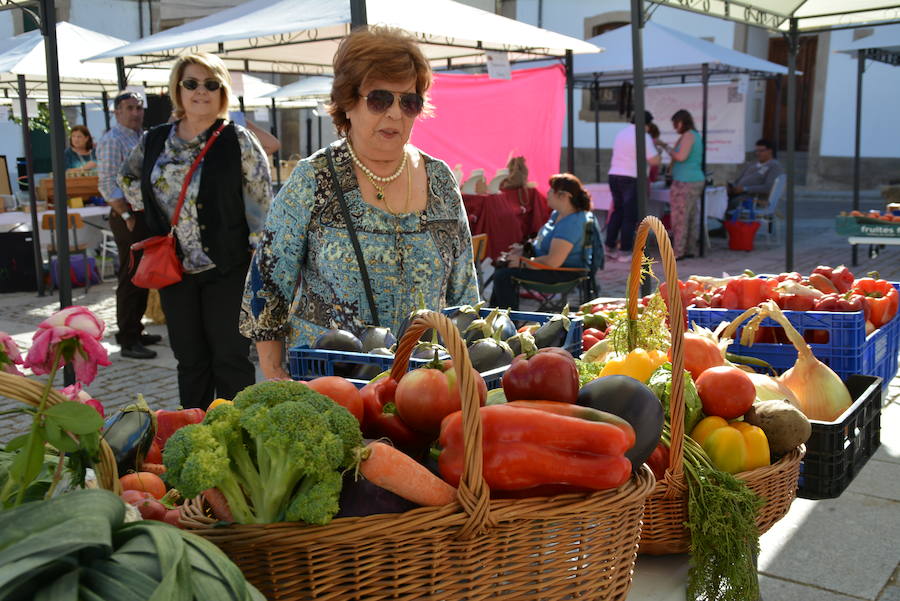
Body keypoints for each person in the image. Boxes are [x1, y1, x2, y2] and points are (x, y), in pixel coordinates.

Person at [240, 26, 480, 380]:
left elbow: (465, 289)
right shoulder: (314, 178)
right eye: (380, 99)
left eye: (408, 101)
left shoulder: (440, 179)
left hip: (423, 381)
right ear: (348, 103)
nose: (396, 114)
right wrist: (276, 374)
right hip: (330, 380)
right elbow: (268, 284)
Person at [119, 53, 272, 409]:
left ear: (222, 92)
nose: (200, 91)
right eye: (191, 83)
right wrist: (154, 213)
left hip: (228, 267)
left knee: (230, 359)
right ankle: (194, 431)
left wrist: (258, 257)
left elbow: (262, 202)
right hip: (173, 270)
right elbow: (127, 176)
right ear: (178, 89)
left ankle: (238, 436)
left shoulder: (240, 140)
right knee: (190, 360)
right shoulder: (154, 140)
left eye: (211, 84)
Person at [96, 90, 161, 360]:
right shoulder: (113, 140)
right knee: (130, 276)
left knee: (142, 275)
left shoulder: (140, 136)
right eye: (129, 108)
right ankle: (127, 338)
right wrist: (126, 215)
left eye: (139, 107)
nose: (136, 112)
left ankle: (137, 327)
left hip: (142, 213)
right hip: (127, 216)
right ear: (117, 111)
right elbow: (107, 183)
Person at [490, 173, 593, 310]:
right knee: (503, 265)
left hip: (562, 273)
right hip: (545, 265)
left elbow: (553, 261)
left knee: (503, 275)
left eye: (551, 190)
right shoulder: (558, 214)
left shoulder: (571, 223)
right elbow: (542, 241)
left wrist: (523, 262)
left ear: (564, 196)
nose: (547, 193)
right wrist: (525, 249)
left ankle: (508, 322)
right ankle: (496, 316)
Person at [606, 111, 661, 262]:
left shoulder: (621, 133)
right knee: (630, 215)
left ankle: (609, 246)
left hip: (614, 174)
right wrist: (660, 153)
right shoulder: (643, 135)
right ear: (647, 125)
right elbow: (654, 160)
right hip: (631, 177)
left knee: (618, 212)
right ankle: (624, 251)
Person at [658, 109, 705, 260]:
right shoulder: (695, 135)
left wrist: (666, 147)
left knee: (680, 218)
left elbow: (681, 157)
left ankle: (678, 252)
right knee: (690, 216)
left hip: (685, 181)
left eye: (675, 124)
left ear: (682, 122)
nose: (674, 127)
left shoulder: (688, 135)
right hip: (693, 179)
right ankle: (689, 249)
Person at [726, 138, 784, 213]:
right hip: (738, 193)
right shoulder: (752, 163)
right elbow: (739, 180)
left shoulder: (774, 166)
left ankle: (730, 223)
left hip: (754, 198)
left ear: (770, 151)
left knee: (730, 202)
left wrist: (745, 189)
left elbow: (768, 187)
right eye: (756, 151)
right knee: (720, 198)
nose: (758, 153)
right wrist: (732, 187)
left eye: (761, 151)